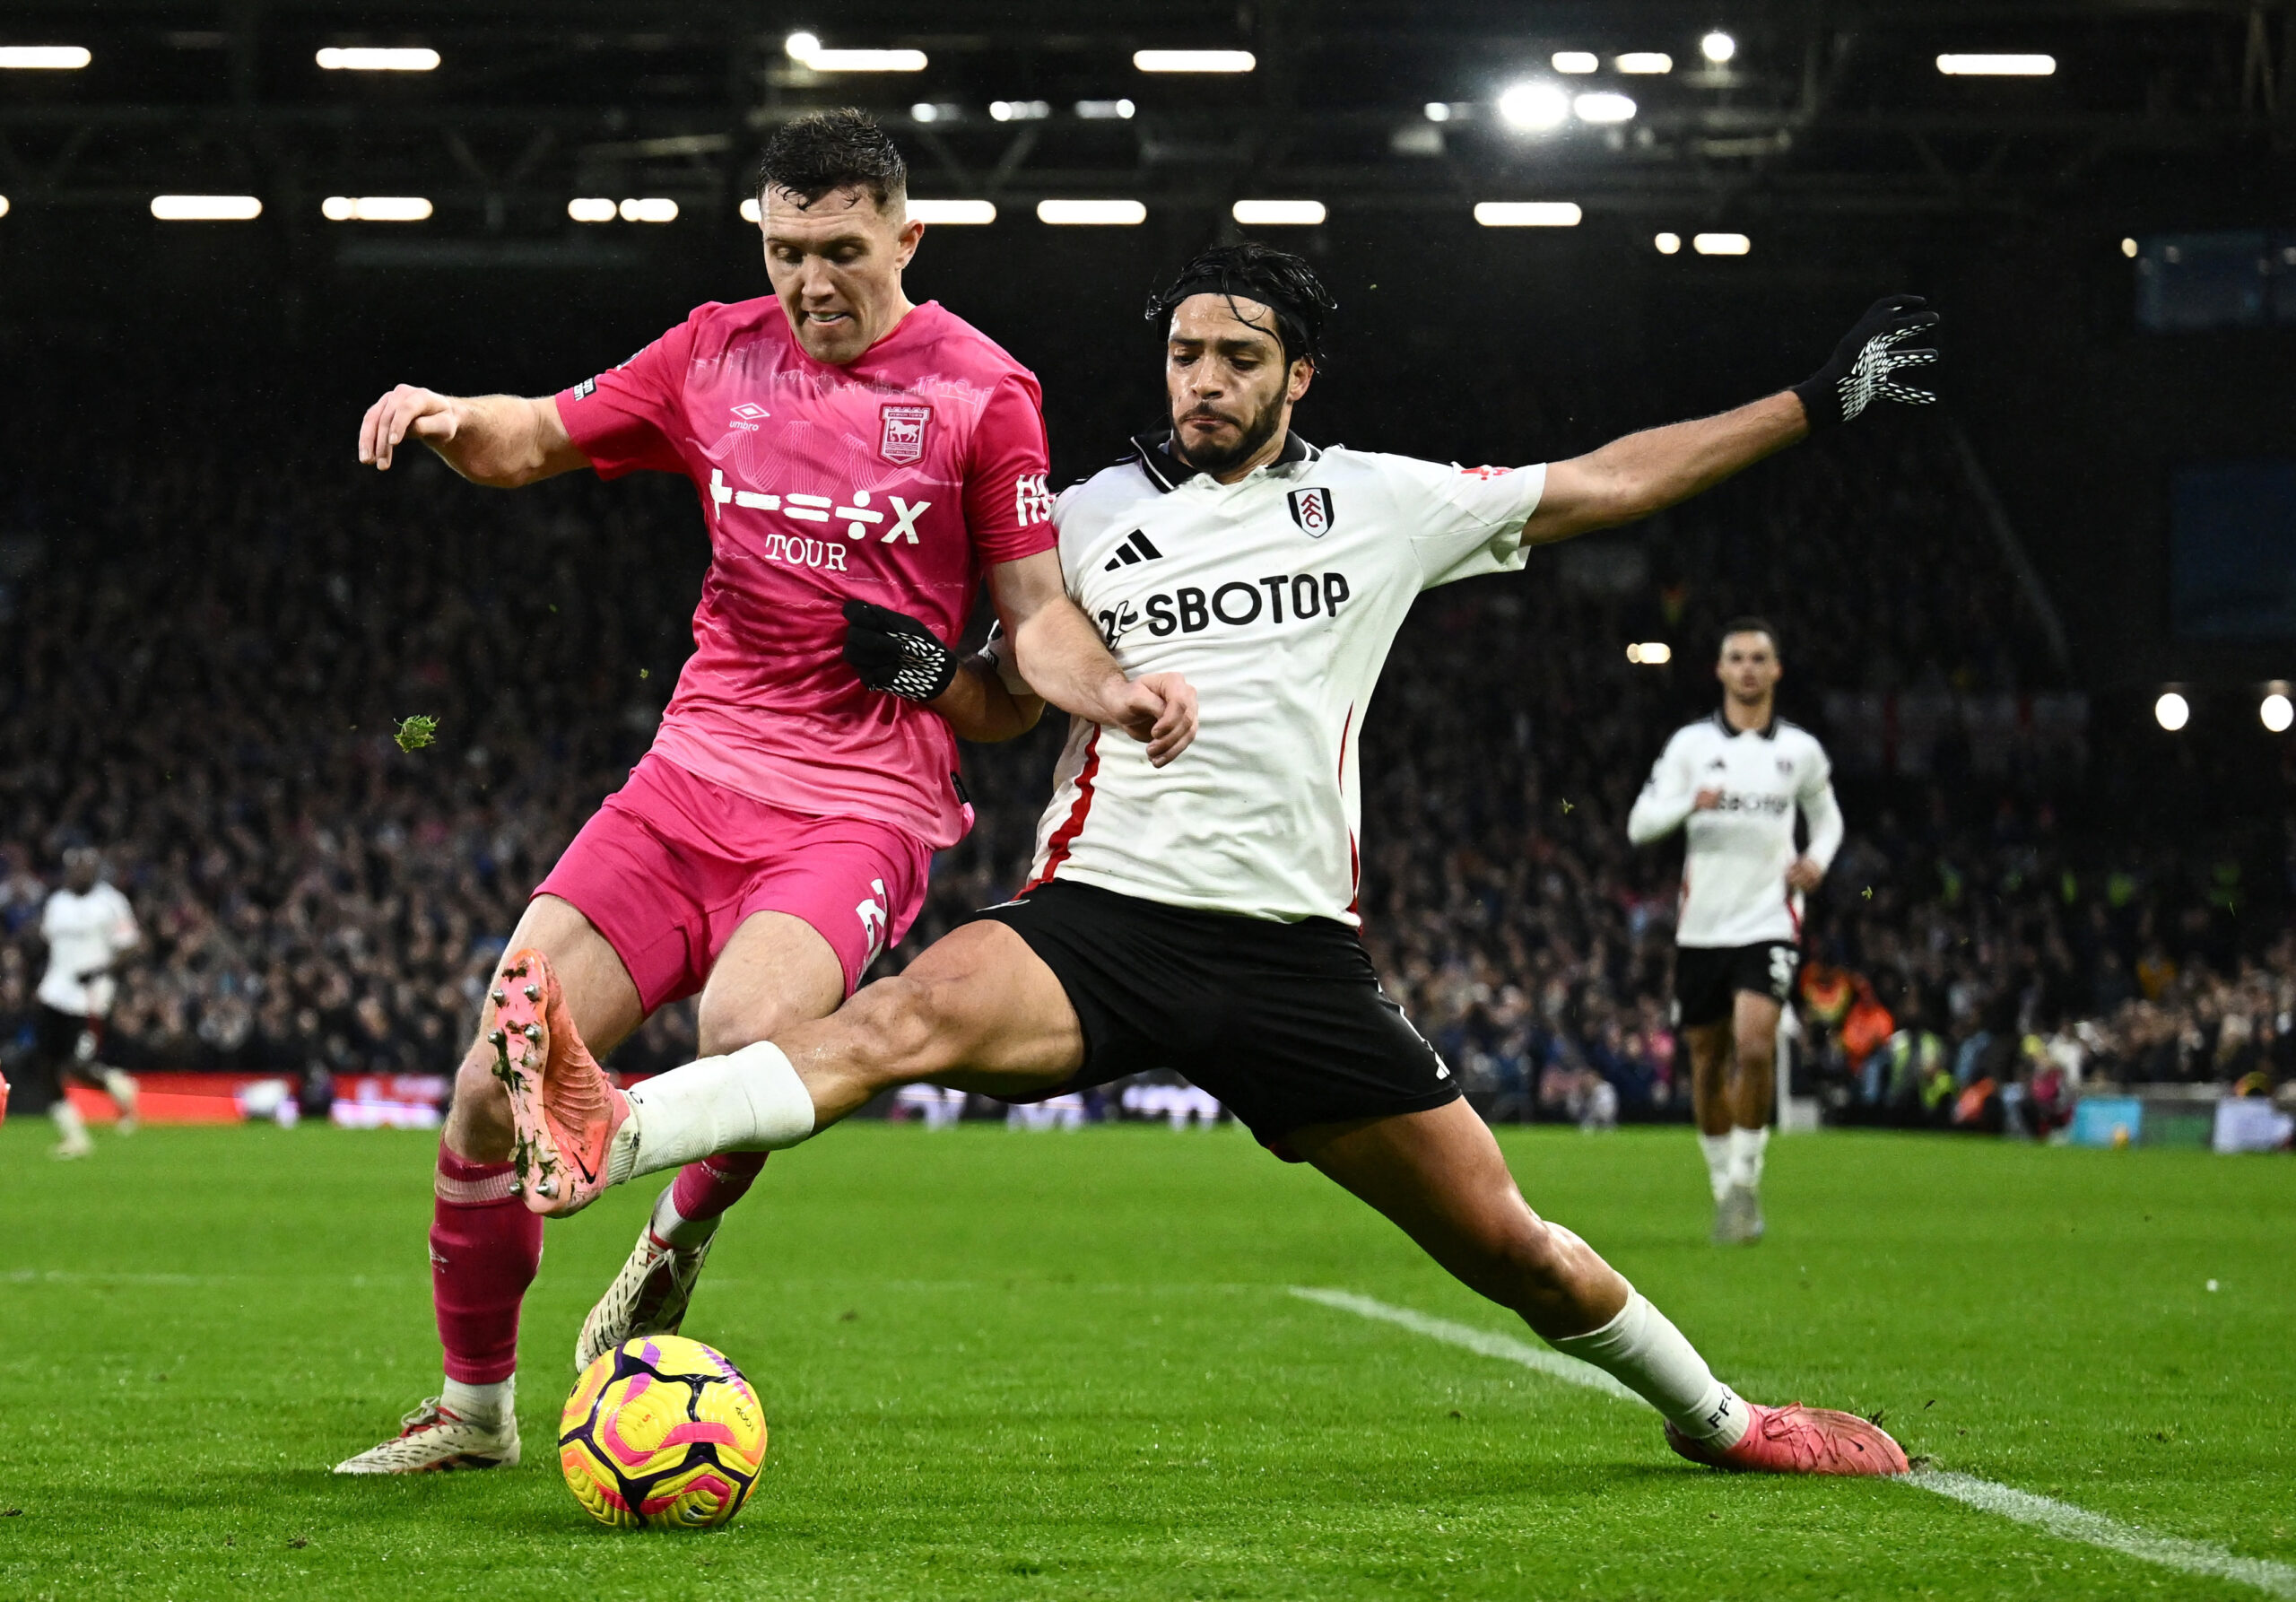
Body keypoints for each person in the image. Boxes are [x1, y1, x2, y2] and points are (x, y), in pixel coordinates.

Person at [513, 246, 1938, 1476]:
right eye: (1185, 351)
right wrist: (940, 675)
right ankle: (611, 1128)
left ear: (1297, 375)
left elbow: (1614, 480)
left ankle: (1724, 1419)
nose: (1201, 377)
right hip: (1103, 915)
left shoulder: (1390, 503)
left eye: (1237, 357)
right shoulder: (1078, 520)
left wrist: (1816, 403)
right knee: (893, 1021)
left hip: (1293, 954)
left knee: (1507, 1242)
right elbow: (1012, 709)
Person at [334, 109, 1196, 1474]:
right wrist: (446, 420)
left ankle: (676, 1225)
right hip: (688, 780)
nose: (813, 283)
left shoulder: (984, 392)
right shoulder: (712, 352)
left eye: (844, 249)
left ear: (908, 238)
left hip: (859, 804)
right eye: (789, 249)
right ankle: (475, 1411)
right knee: (488, 1092)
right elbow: (534, 435)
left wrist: (1119, 687)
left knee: (750, 1029)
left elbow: (1031, 626)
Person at [1627, 623, 1843, 1245]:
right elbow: (1642, 825)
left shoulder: (1799, 752)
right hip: (1702, 929)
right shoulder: (1691, 746)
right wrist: (1690, 803)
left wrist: (1818, 864)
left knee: (1755, 1047)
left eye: (1759, 659)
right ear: (1720, 671)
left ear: (1776, 671)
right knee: (1706, 1058)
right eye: (1736, 659)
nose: (1748, 668)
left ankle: (1747, 1178)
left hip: (1769, 921)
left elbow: (1828, 822)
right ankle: (1725, 1191)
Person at [32, 847, 144, 1159]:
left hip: (90, 997)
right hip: (54, 992)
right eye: (75, 867)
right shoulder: (57, 903)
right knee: (45, 1066)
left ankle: (118, 1085)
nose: (80, 873)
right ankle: (75, 1135)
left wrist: (99, 971)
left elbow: (130, 946)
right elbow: (49, 944)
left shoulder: (111, 903)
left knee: (75, 1064)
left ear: (96, 870)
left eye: (87, 867)